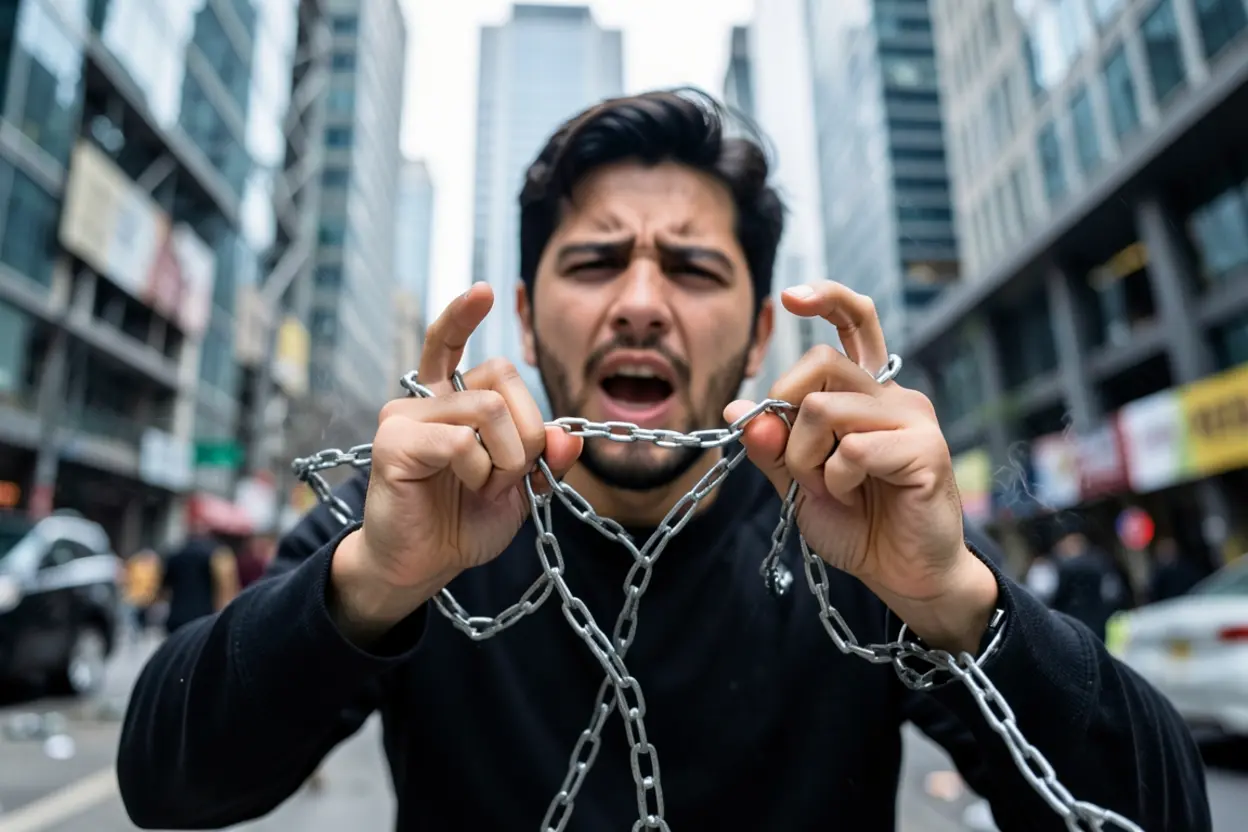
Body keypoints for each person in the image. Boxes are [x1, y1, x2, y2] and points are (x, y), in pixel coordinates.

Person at [116, 90, 1208, 831]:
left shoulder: (851, 534)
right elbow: (165, 781)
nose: (640, 302)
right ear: (532, 319)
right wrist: (372, 583)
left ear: (758, 336)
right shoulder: (418, 519)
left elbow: (1165, 811)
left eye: (691, 266)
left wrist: (953, 597)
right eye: (596, 261)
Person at [158, 518, 240, 636]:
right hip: (203, 617)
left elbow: (164, 587)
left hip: (177, 615)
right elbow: (224, 588)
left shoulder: (176, 554)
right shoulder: (216, 555)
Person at [1048, 530, 1129, 641]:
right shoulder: (1099, 561)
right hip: (1100, 619)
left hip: (1077, 622)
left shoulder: (1066, 569)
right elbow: (1113, 590)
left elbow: (1059, 598)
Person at [1148, 536, 1205, 603]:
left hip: (1187, 601)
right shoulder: (1159, 572)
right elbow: (1155, 593)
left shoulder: (1185, 567)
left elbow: (1197, 582)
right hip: (1170, 604)